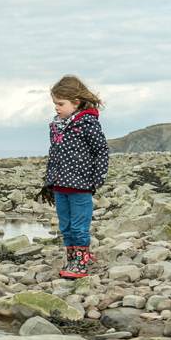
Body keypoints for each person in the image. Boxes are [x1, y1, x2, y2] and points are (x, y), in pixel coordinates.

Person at [41, 75, 109, 279]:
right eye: (55, 104)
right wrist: (49, 182)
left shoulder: (87, 123)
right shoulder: (56, 126)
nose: (56, 108)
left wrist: (97, 178)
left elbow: (101, 151)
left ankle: (81, 261)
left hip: (80, 186)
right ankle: (72, 258)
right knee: (66, 226)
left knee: (79, 226)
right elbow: (54, 155)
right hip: (60, 186)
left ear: (76, 102)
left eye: (60, 104)